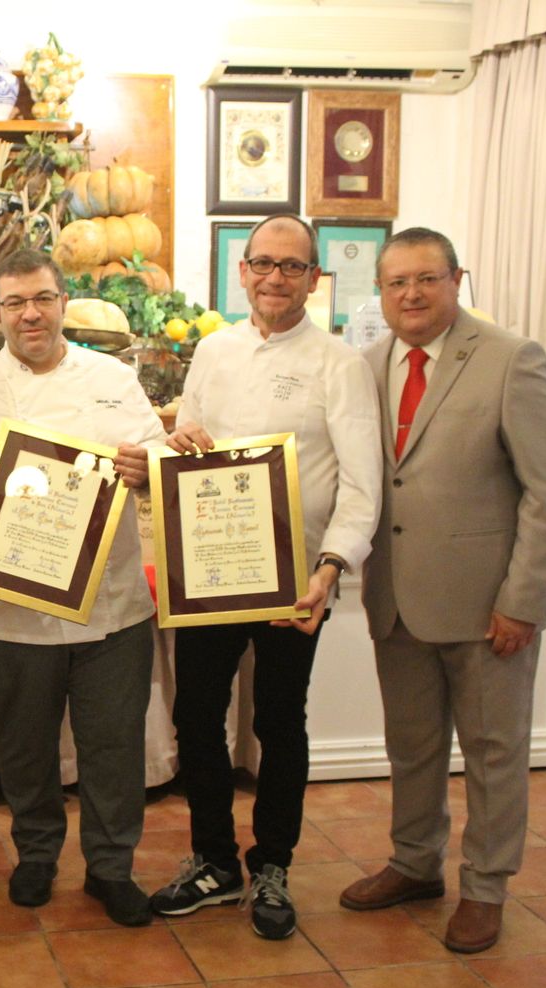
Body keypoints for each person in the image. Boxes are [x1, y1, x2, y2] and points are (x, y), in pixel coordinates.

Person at [144, 215, 381, 940]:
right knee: (197, 719)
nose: (275, 277)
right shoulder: (212, 352)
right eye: (263, 264)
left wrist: (331, 568)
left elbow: (363, 486)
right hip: (212, 572)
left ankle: (272, 863)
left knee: (280, 724)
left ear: (314, 279)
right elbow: (188, 444)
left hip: (294, 584)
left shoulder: (341, 364)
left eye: (292, 266)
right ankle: (214, 861)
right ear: (242, 272)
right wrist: (177, 438)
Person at [339, 227, 546, 953]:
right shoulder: (367, 366)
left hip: (484, 607)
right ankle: (414, 863)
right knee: (412, 747)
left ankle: (486, 888)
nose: (410, 294)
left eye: (426, 279)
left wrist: (522, 600)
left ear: (456, 279)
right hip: (397, 601)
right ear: (379, 290)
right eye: (396, 281)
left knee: (495, 753)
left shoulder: (510, 359)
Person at [0, 249, 165, 927]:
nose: (31, 313)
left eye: (43, 298)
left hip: (111, 608)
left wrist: (150, 465)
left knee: (114, 745)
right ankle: (35, 855)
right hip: (13, 615)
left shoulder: (116, 379)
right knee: (26, 748)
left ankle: (111, 867)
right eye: (15, 303)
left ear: (63, 302)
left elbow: (153, 456)